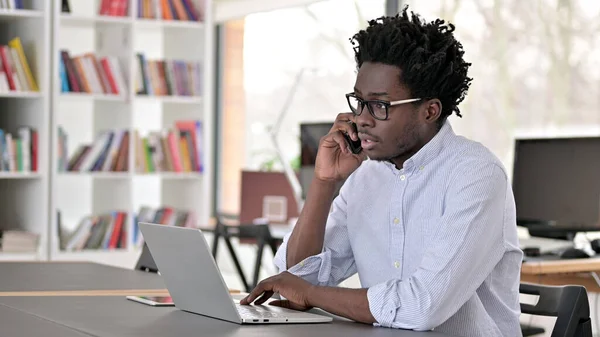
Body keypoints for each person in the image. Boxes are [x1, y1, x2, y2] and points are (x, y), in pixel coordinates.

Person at [241, 6, 523, 337]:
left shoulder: (476, 174)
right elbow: (297, 280)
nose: (361, 118)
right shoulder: (364, 177)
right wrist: (324, 183)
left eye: (379, 106)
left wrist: (312, 295)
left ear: (429, 110)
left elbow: (422, 307)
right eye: (359, 102)